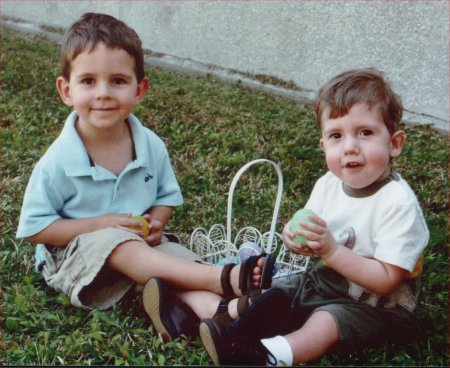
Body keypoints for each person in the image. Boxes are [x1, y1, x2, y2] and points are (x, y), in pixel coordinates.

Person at [15, 12, 283, 342]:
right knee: (123, 246)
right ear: (65, 90)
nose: (103, 93)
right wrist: (101, 225)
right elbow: (34, 228)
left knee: (176, 264)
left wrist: (157, 222)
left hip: (143, 251)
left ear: (139, 88)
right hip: (74, 259)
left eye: (118, 80)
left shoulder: (149, 145)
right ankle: (223, 279)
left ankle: (226, 317)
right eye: (88, 81)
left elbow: (165, 197)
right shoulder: (58, 160)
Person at [196, 68, 429, 365]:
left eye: (365, 133)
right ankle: (224, 324)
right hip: (323, 281)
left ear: (394, 143)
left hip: (375, 305)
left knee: (326, 321)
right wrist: (293, 236)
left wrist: (330, 250)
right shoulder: (328, 184)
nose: (350, 147)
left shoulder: (397, 204)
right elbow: (306, 229)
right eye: (336, 135)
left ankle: (265, 354)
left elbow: (385, 280)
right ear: (324, 146)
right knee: (276, 293)